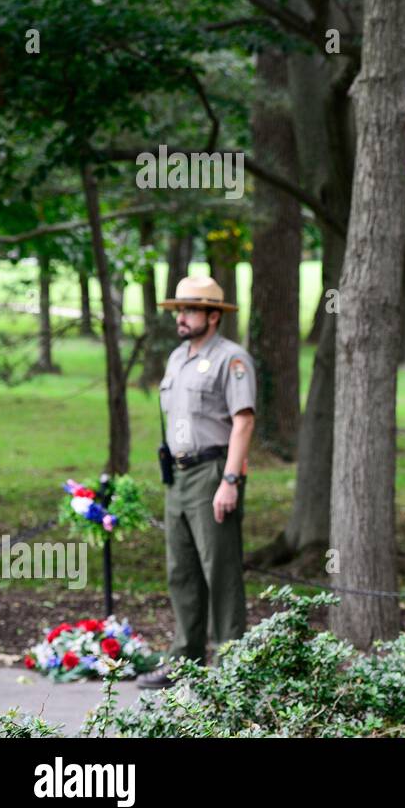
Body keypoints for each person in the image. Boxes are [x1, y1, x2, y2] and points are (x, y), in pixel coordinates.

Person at [139, 276, 255, 688]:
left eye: (189, 310)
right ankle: (185, 661)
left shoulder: (232, 359)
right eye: (178, 311)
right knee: (181, 570)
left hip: (212, 472)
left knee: (220, 570)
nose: (181, 318)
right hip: (179, 475)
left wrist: (230, 480)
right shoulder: (177, 358)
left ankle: (230, 669)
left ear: (212, 315)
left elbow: (243, 421)